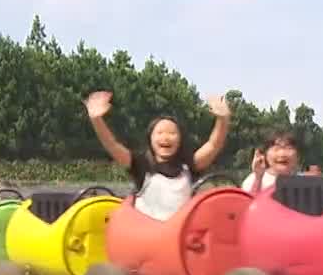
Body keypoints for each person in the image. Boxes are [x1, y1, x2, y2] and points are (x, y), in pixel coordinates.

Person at [85, 89, 231, 221]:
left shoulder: (189, 166)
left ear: (180, 139)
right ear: (150, 138)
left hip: (177, 241)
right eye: (160, 133)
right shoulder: (140, 165)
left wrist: (223, 119)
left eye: (172, 133)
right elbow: (112, 144)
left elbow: (213, 145)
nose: (166, 137)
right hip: (146, 241)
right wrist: (96, 120)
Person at [242, 128, 304, 194]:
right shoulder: (252, 180)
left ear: (298, 155)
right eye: (276, 149)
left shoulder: (305, 182)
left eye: (288, 148)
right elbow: (249, 203)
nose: (282, 154)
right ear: (264, 155)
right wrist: (258, 179)